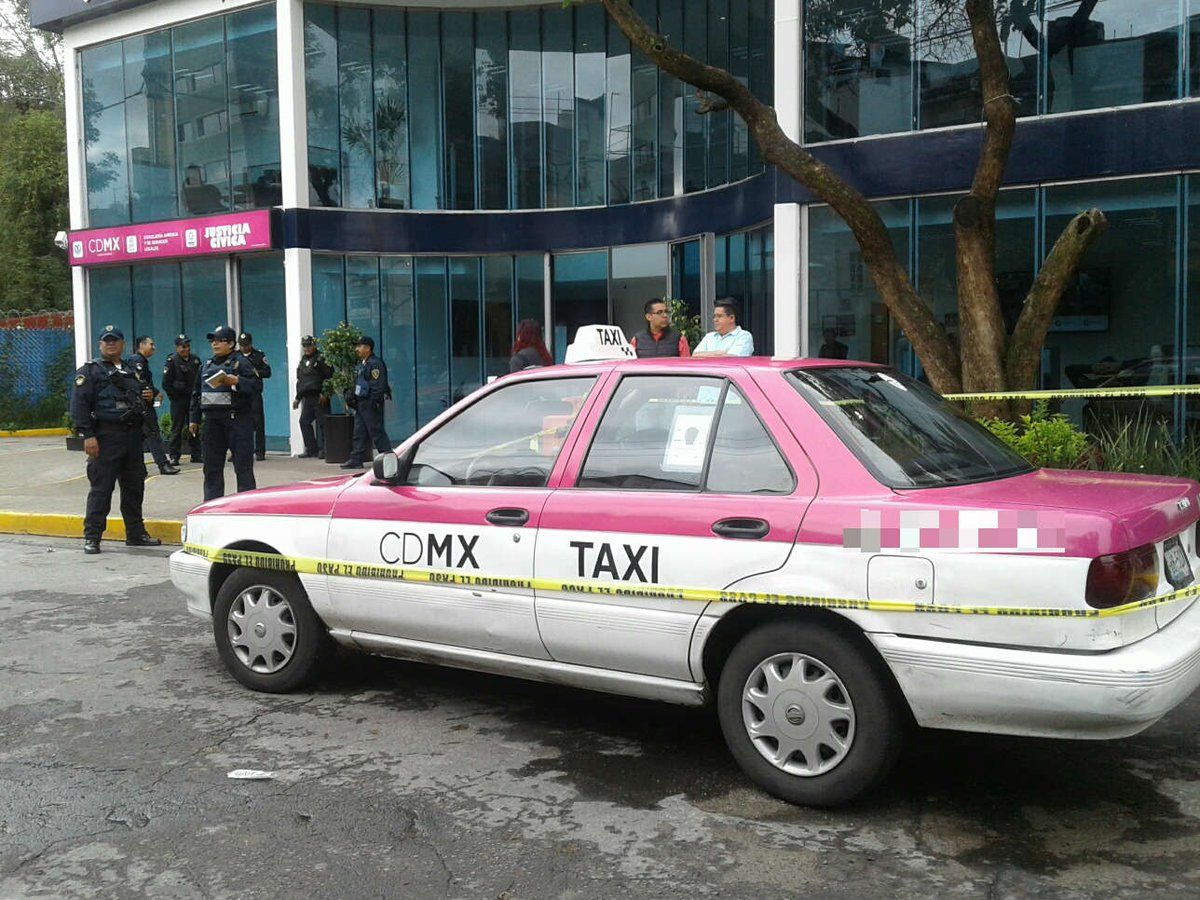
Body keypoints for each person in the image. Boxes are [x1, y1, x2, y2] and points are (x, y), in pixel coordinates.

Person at [70, 325, 162, 554]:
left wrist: (148, 397)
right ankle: (92, 537)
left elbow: (141, 398)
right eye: (106, 341)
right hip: (105, 437)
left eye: (115, 340)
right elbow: (79, 406)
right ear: (100, 344)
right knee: (101, 489)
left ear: (122, 344)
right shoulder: (90, 371)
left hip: (131, 437)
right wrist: (87, 436)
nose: (111, 344)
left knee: (134, 488)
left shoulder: (132, 369)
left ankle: (135, 533)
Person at [190, 326, 262, 501]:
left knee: (243, 468)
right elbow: (196, 394)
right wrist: (194, 419)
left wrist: (237, 381)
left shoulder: (241, 363)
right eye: (212, 340)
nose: (214, 344)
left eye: (219, 340)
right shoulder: (206, 365)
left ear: (230, 343)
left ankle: (246, 506)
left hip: (236, 421)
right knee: (211, 468)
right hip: (212, 423)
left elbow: (257, 386)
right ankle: (212, 506)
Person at [340, 336, 393, 469]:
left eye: (359, 346)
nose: (356, 349)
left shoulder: (375, 364)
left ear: (368, 348)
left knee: (376, 431)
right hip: (361, 404)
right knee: (359, 432)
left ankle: (389, 459)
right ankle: (356, 459)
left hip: (370, 404)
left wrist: (373, 403)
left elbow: (378, 386)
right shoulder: (363, 364)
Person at [129, 336, 179, 475]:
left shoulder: (141, 361)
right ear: (142, 345)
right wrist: (151, 393)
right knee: (153, 434)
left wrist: (155, 392)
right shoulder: (136, 361)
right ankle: (163, 465)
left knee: (142, 437)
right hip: (142, 406)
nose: (153, 347)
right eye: (151, 344)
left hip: (142, 404)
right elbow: (138, 382)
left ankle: (140, 467)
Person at [162, 334, 203, 465]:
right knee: (177, 428)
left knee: (194, 425)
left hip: (192, 399)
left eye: (187, 346)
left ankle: (196, 454)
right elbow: (166, 383)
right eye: (183, 346)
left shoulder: (195, 360)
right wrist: (174, 395)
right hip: (178, 400)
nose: (186, 349)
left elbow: (200, 379)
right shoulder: (172, 361)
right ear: (177, 348)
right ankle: (174, 456)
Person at [294, 335, 333, 458]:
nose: (307, 348)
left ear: (314, 345)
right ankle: (311, 449)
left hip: (319, 396)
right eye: (304, 346)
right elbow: (301, 381)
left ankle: (326, 450)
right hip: (307, 397)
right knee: (304, 422)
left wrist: (325, 393)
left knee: (323, 423)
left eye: (309, 345)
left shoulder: (321, 358)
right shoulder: (303, 361)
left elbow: (329, 377)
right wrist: (297, 398)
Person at [237, 331, 272, 460]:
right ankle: (240, 450)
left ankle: (260, 451)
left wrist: (256, 372)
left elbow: (267, 372)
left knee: (258, 423)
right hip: (240, 393)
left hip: (254, 393)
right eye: (241, 345)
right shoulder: (236, 357)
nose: (244, 347)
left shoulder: (258, 355)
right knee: (240, 423)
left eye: (246, 345)